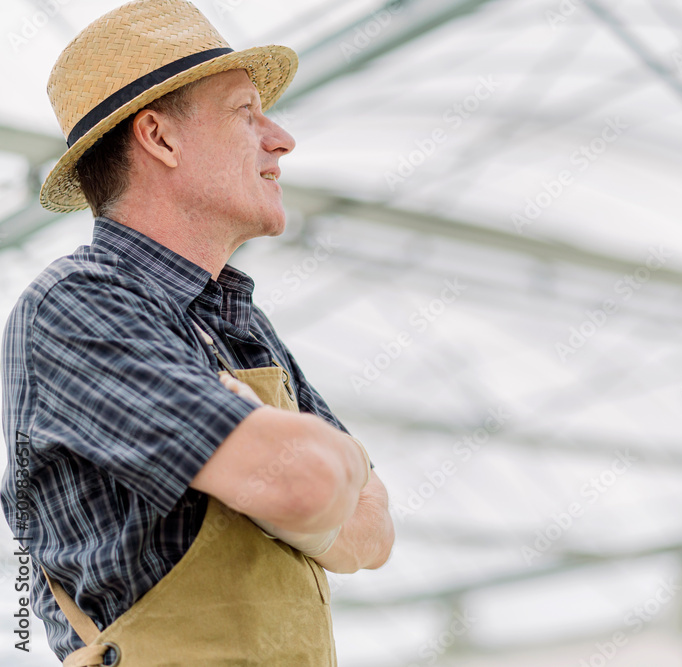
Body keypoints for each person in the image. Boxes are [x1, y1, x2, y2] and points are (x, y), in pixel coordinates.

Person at [0, 1, 395, 664]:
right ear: (159, 138)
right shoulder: (75, 307)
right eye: (246, 112)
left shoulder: (241, 323)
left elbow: (376, 531)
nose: (281, 139)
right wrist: (319, 472)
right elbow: (308, 486)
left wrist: (296, 463)